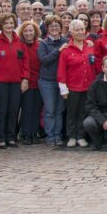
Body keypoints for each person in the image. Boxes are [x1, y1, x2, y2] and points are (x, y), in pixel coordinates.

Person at [58, 19, 100, 147]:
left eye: (82, 29)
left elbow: (96, 66)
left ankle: (81, 136)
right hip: (73, 87)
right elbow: (61, 71)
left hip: (88, 87)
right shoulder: (66, 50)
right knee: (72, 113)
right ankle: (71, 136)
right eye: (77, 30)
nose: (80, 32)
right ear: (71, 32)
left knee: (84, 112)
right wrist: (63, 88)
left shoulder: (90, 47)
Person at [0, 13, 28, 149]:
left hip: (16, 80)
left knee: (14, 109)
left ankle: (11, 137)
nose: (9, 26)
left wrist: (25, 79)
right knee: (2, 109)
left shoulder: (20, 42)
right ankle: (0, 137)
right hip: (0, 81)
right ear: (1, 25)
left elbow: (25, 62)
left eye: (11, 23)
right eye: (6, 23)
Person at [37, 16, 67, 147]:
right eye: (51, 26)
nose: (54, 28)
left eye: (57, 26)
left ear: (61, 28)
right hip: (47, 81)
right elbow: (44, 60)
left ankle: (57, 135)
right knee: (49, 110)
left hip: (61, 81)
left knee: (59, 110)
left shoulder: (66, 41)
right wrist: (58, 51)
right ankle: (50, 136)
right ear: (47, 29)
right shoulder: (43, 43)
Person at [18, 20, 42, 145]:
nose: (28, 33)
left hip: (38, 80)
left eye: (31, 31)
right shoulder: (20, 45)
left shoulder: (40, 45)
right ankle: (26, 134)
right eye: (26, 31)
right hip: (26, 80)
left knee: (36, 109)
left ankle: (34, 133)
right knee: (27, 109)